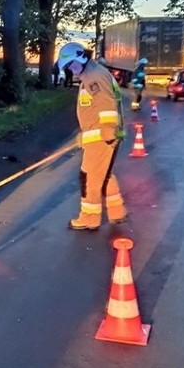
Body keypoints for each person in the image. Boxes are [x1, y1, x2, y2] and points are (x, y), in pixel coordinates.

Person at [56, 42, 128, 231]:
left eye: (72, 66)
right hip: (98, 135)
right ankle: (117, 211)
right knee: (103, 175)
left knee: (89, 178)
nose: (72, 70)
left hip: (102, 137)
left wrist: (107, 131)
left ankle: (89, 218)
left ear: (80, 57)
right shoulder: (91, 74)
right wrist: (86, 134)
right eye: (68, 68)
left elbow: (106, 104)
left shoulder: (94, 77)